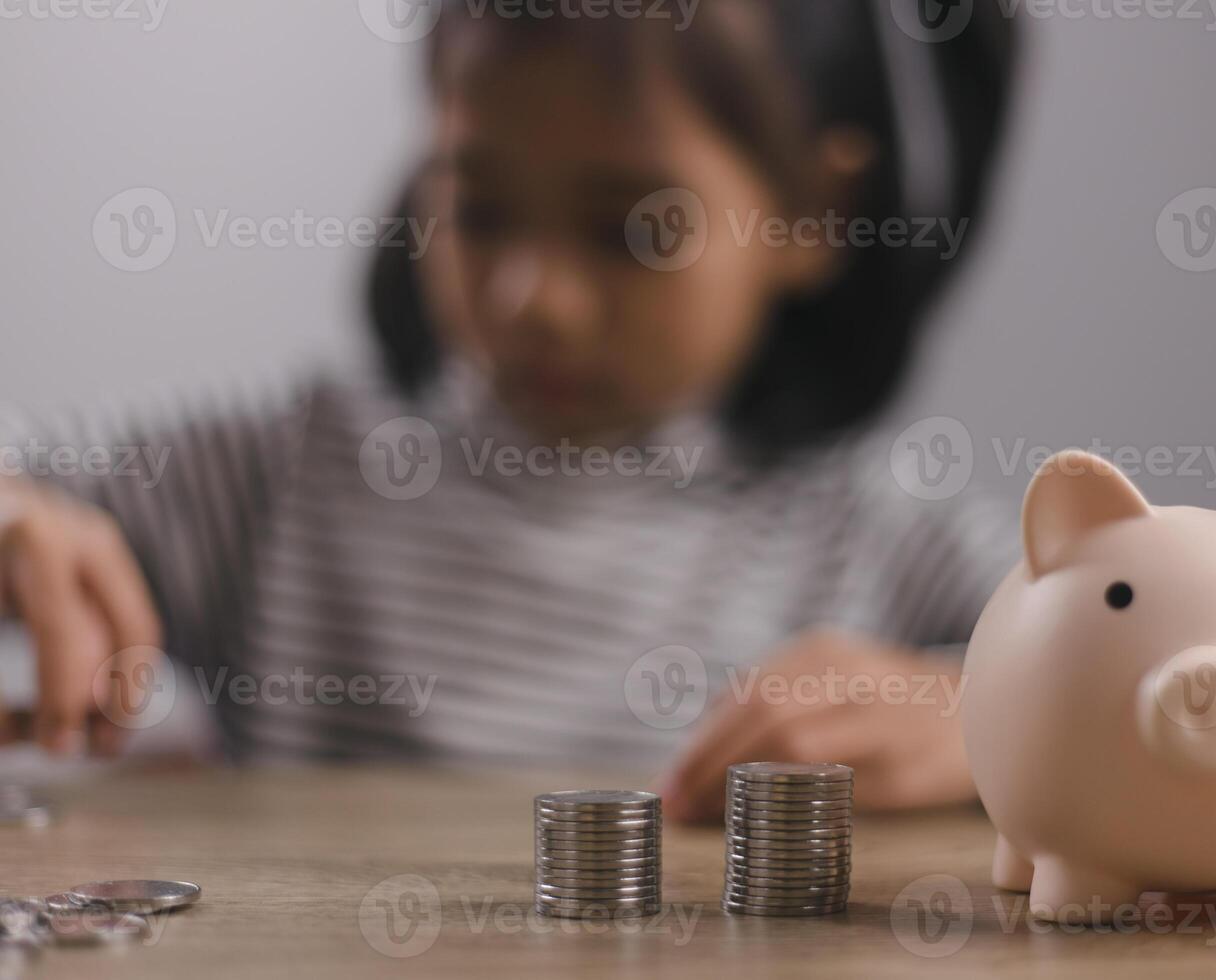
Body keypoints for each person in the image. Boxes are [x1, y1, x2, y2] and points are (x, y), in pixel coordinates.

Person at [0, 0, 1018, 822]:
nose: (535, 297)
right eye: (480, 211)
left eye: (634, 227)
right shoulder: (279, 479)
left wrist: (982, 712)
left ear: (813, 215)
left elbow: (1154, 652)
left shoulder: (875, 536)